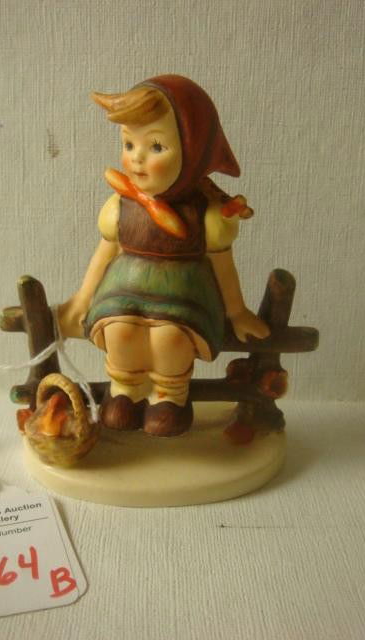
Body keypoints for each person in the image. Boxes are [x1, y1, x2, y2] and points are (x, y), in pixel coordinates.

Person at [58, 75, 269, 436]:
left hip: (183, 293)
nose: (137, 158)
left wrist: (237, 312)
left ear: (194, 152)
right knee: (119, 332)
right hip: (124, 289)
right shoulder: (120, 206)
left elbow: (223, 265)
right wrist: (82, 300)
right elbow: (104, 253)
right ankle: (125, 391)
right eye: (129, 143)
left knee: (170, 338)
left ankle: (170, 397)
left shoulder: (207, 215)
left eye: (156, 146)